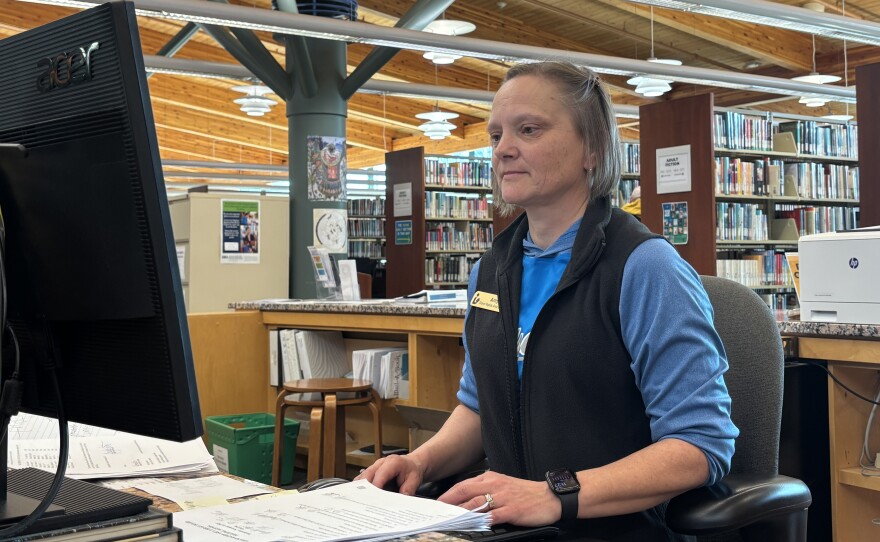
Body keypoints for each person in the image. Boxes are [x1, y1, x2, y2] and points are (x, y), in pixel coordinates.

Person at [357, 61, 738, 541]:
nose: (503, 150)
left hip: (615, 531)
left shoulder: (644, 268)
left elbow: (701, 443)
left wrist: (555, 494)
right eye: (496, 135)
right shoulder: (490, 271)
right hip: (510, 528)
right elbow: (479, 408)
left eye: (529, 129)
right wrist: (418, 461)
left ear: (592, 149)